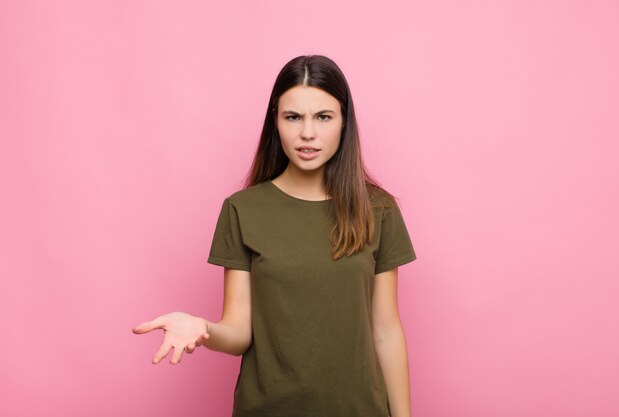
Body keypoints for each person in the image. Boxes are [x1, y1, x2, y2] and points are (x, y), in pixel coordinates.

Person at [132, 54, 417, 417]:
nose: (308, 133)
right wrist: (203, 327)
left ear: (344, 122)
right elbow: (238, 333)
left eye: (323, 117)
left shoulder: (378, 210)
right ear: (275, 122)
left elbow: (386, 331)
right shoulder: (242, 209)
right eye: (293, 117)